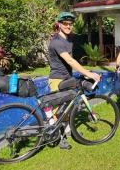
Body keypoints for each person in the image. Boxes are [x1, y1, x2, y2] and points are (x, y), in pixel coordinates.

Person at [48, 11, 101, 149]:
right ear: (59, 25)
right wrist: (87, 73)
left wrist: (84, 72)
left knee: (68, 108)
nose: (68, 26)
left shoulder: (68, 40)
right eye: (65, 23)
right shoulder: (57, 42)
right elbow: (70, 60)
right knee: (57, 111)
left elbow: (72, 61)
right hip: (57, 80)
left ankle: (67, 132)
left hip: (67, 78)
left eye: (70, 24)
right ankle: (58, 138)